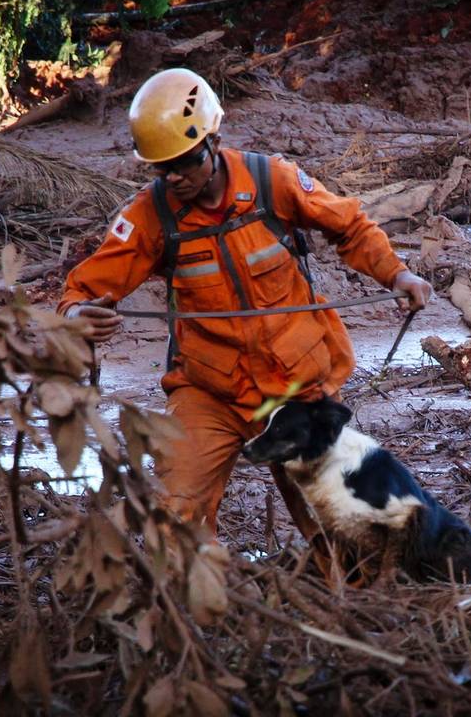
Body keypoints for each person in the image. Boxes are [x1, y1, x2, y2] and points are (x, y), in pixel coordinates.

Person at [59, 67, 432, 547]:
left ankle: (348, 603)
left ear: (212, 141)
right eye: (161, 167)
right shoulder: (149, 216)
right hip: (208, 392)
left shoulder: (270, 180)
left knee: (335, 521)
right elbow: (84, 288)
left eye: (185, 161)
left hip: (295, 387)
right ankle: (200, 608)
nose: (174, 177)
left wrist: (397, 274)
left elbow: (351, 226)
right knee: (174, 515)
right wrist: (76, 316)